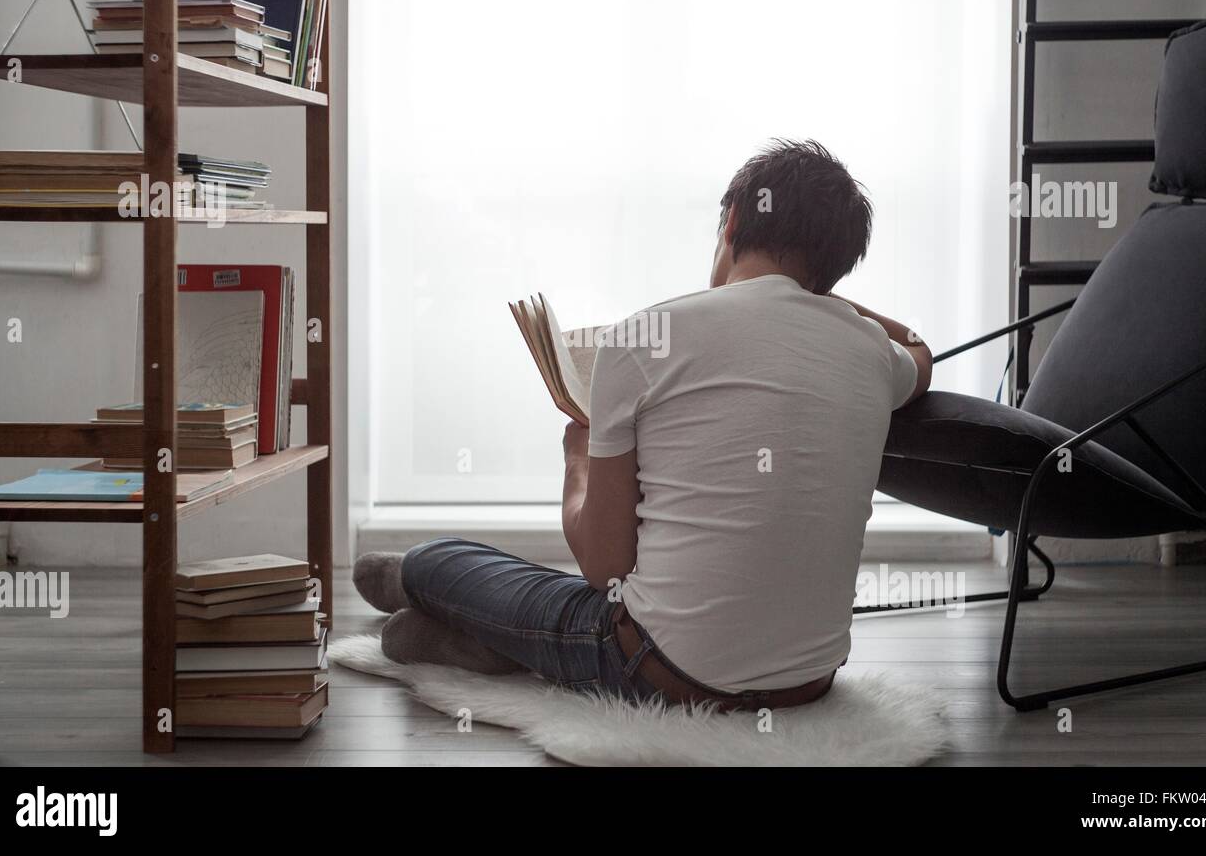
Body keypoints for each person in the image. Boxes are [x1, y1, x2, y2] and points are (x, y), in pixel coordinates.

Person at [354, 139, 932, 709]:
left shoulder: (639, 338)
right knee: (526, 602)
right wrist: (820, 297)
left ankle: (439, 592)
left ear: (732, 222)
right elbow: (919, 352)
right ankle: (489, 644)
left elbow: (605, 568)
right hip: (810, 678)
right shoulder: (875, 353)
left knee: (441, 561)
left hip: (663, 672)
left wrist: (576, 455)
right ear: (836, 266)